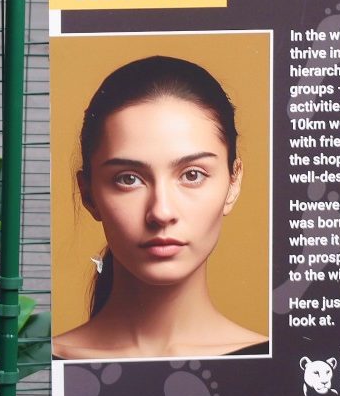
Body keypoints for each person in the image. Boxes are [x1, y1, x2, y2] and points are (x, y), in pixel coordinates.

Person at [53, 56, 268, 361]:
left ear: (233, 182)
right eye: (128, 179)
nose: (162, 212)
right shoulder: (42, 367)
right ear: (88, 193)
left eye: (192, 175)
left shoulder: (280, 366)